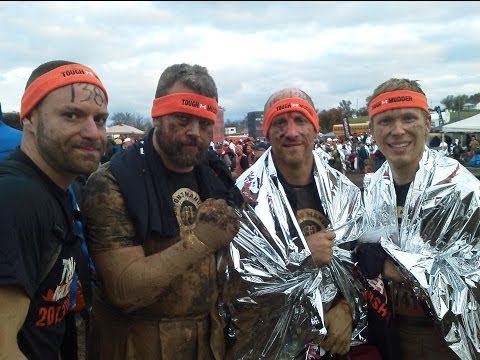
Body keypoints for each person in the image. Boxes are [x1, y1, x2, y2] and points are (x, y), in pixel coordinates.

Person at [81, 63, 240, 359]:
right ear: (157, 114)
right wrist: (200, 242)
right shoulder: (112, 181)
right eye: (182, 118)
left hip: (208, 340)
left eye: (205, 123)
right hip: (137, 344)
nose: (194, 132)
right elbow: (124, 290)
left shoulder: (217, 176)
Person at [222, 88, 380, 359]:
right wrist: (304, 256)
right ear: (268, 132)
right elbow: (237, 287)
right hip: (270, 346)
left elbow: (362, 265)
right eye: (280, 122)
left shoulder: (344, 192)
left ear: (314, 128)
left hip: (334, 345)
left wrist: (345, 307)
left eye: (300, 120)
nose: (291, 132)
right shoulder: (244, 198)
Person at [357, 77, 479, 359]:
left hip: (445, 339)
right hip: (387, 330)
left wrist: (397, 270)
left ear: (427, 124)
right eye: (385, 121)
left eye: (408, 118)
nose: (397, 131)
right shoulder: (373, 188)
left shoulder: (462, 190)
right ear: (373, 131)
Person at [0, 60, 108, 359]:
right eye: (72, 115)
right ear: (29, 119)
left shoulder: (57, 190)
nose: (92, 133)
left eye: (99, 119)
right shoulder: (17, 199)